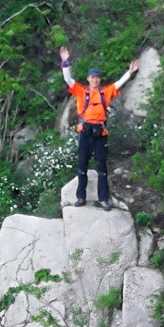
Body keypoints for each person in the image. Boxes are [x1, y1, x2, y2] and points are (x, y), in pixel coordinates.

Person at [60, 45, 140, 209]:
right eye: (92, 77)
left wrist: (130, 72)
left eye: (97, 78)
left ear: (99, 79)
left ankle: (103, 199)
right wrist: (65, 62)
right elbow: (68, 80)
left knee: (102, 166)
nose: (95, 80)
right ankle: (80, 197)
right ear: (88, 79)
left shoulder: (106, 92)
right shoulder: (81, 91)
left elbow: (118, 84)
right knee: (82, 164)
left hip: (100, 132)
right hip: (85, 131)